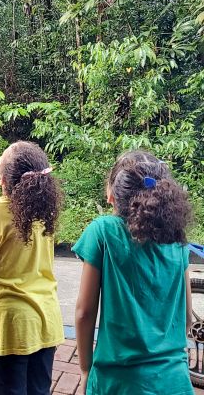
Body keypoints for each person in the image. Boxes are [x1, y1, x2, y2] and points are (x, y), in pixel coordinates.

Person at [73, 150, 194, 395]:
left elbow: (84, 313)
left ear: (113, 196)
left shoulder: (103, 231)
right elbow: (187, 319)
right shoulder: (177, 239)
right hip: (174, 381)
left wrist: (86, 369)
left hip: (118, 381)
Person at [0, 140, 64, 395]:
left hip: (11, 322)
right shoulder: (46, 210)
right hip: (47, 317)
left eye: (0, 176)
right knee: (40, 390)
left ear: (6, 181)